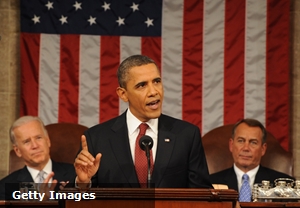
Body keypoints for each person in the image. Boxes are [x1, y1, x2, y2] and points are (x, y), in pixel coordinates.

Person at [74, 54, 212, 188]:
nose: (153, 91)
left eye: (157, 81)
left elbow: (203, 196)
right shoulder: (96, 139)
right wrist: (83, 184)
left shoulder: (186, 135)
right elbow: (70, 199)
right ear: (123, 94)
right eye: (142, 85)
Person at [210, 118, 294, 201]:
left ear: (263, 149)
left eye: (253, 142)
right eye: (241, 141)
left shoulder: (285, 186)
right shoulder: (210, 183)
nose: (246, 148)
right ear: (231, 145)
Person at [0, 116, 76, 200]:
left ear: (48, 141)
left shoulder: (75, 174)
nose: (35, 146)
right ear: (18, 151)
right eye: (27, 141)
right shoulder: (5, 187)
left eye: (38, 138)